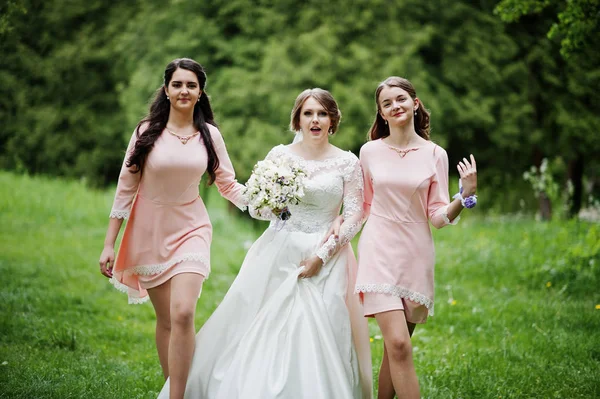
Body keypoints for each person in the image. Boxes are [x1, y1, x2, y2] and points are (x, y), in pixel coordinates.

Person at [158, 88, 373, 398]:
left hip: (327, 254)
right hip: (280, 247)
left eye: (322, 113)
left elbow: (354, 216)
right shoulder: (280, 155)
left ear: (332, 120)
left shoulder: (347, 163)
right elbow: (258, 207)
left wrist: (321, 256)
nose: (315, 120)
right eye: (308, 113)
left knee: (324, 330)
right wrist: (272, 205)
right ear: (297, 120)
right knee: (259, 324)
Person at [98, 58, 246, 399]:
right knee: (165, 320)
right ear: (166, 90)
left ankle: (179, 396)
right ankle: (171, 388)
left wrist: (264, 202)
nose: (184, 90)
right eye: (177, 84)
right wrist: (110, 244)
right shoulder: (146, 132)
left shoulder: (210, 135)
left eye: (191, 85)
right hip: (148, 232)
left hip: (192, 229)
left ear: (200, 92)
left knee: (183, 313)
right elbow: (125, 188)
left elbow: (227, 183)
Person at [354, 76, 478, 399]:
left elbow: (437, 216)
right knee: (397, 344)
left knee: (396, 351)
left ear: (415, 103)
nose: (395, 106)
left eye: (400, 99)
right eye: (387, 103)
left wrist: (465, 196)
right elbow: (362, 206)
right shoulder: (368, 152)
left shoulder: (435, 154)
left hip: (415, 255)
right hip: (378, 249)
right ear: (381, 113)